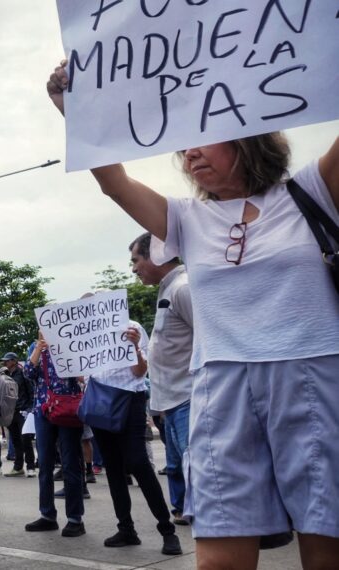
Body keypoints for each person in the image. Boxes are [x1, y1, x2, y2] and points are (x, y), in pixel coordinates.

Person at [48, 62, 339, 569]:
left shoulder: (309, 190)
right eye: (185, 146)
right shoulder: (186, 217)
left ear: (248, 137)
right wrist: (75, 107)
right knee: (219, 556)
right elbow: (114, 182)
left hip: (311, 374)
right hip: (220, 385)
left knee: (326, 545)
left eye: (205, 139)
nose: (190, 153)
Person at [85, 318, 181, 556]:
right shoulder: (87, 333)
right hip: (100, 401)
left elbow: (140, 372)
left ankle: (167, 530)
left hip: (129, 400)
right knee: (114, 468)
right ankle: (126, 528)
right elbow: (82, 373)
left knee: (138, 462)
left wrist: (136, 347)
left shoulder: (131, 328)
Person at [130, 232, 194, 525]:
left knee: (198, 471)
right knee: (182, 467)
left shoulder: (182, 288)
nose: (134, 268)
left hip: (188, 398)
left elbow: (210, 339)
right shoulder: (168, 289)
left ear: (156, 254)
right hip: (172, 401)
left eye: (136, 260)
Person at [24, 333, 86, 538]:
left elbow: (81, 376)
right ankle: (47, 515)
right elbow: (28, 373)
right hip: (44, 409)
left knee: (70, 463)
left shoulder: (71, 345)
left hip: (67, 408)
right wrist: (38, 349)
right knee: (45, 464)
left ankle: (75, 518)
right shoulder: (36, 346)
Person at [0, 353, 36, 478]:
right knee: (15, 440)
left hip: (23, 410)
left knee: (25, 439)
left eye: (8, 361)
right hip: (11, 411)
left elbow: (31, 391)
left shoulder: (23, 374)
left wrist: (30, 409)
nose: (5, 363)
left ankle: (30, 466)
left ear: (14, 361)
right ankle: (18, 466)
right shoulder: (5, 375)